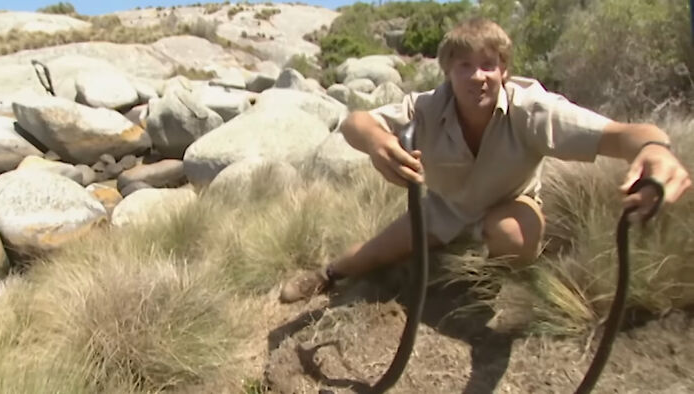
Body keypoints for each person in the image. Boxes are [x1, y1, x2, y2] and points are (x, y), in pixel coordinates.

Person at [279, 17, 691, 303]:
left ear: (504, 71)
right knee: (366, 257)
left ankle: (494, 282)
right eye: (465, 65)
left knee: (512, 236)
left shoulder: (533, 109)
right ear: (447, 72)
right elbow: (356, 121)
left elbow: (620, 135)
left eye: (489, 65)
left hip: (510, 206)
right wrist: (374, 142)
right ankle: (325, 276)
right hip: (443, 210)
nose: (478, 75)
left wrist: (654, 148)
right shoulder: (424, 107)